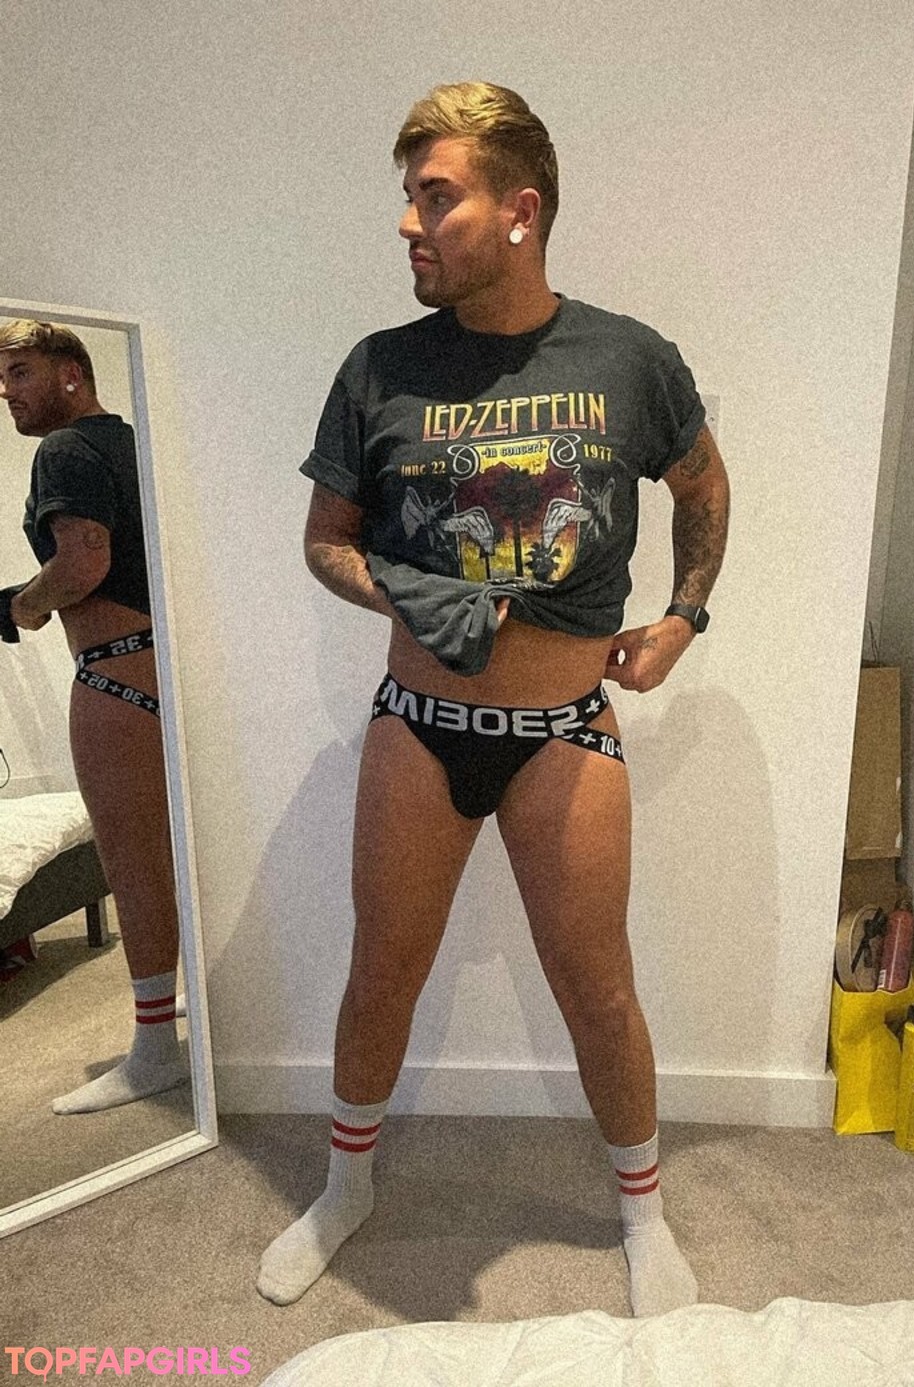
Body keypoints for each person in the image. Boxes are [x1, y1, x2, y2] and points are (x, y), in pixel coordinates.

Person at [257, 81, 730, 1315]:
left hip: (566, 731)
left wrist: (683, 617)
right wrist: (419, 596)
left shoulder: (629, 359)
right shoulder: (379, 368)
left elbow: (703, 485)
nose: (408, 223)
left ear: (520, 211)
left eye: (436, 197)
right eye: (408, 197)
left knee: (599, 989)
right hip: (422, 728)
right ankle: (345, 1187)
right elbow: (324, 541)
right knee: (383, 972)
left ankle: (643, 1212)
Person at [0, 320, 186, 1113]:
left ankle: (154, 1052)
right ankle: (177, 1012)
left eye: (20, 371)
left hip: (115, 678)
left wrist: (23, 603)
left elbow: (82, 561)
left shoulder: (65, 449)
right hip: (163, 668)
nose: (6, 391)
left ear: (71, 372)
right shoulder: (133, 442)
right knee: (171, 857)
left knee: (133, 867)